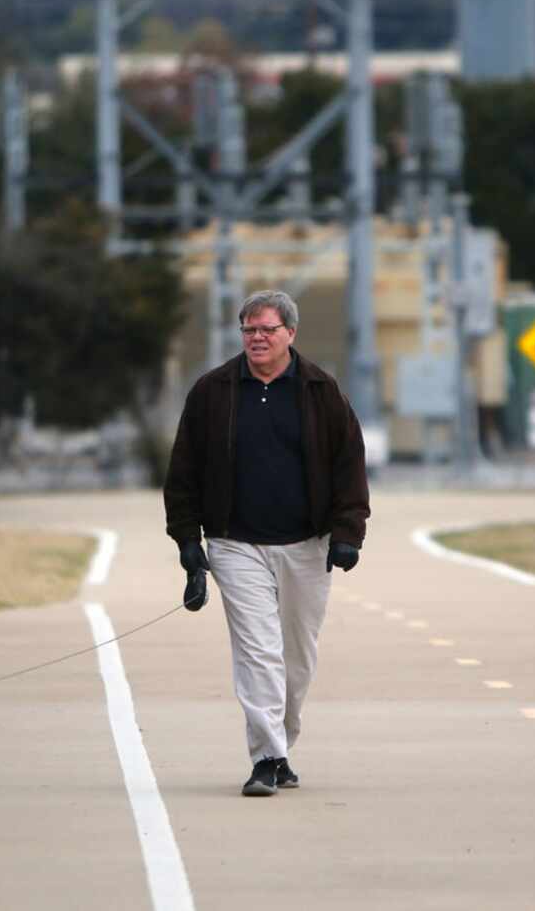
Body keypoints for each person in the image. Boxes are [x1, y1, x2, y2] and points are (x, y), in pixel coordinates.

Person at [163, 289, 370, 797]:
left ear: (290, 335)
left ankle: (283, 743)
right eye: (249, 330)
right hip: (236, 544)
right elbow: (183, 473)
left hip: (307, 545)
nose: (256, 338)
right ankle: (266, 757)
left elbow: (349, 466)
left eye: (267, 330)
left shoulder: (320, 391)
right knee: (258, 652)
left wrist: (347, 534)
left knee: (296, 658)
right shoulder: (213, 392)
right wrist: (189, 544)